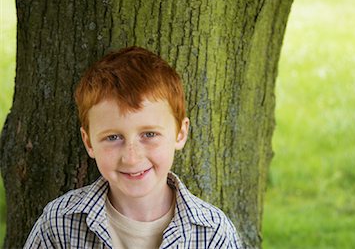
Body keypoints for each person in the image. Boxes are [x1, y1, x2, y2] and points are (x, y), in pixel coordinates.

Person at [24, 46, 243, 248]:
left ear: (180, 133)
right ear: (89, 142)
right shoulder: (58, 224)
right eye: (112, 137)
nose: (131, 157)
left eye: (149, 134)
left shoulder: (213, 234)